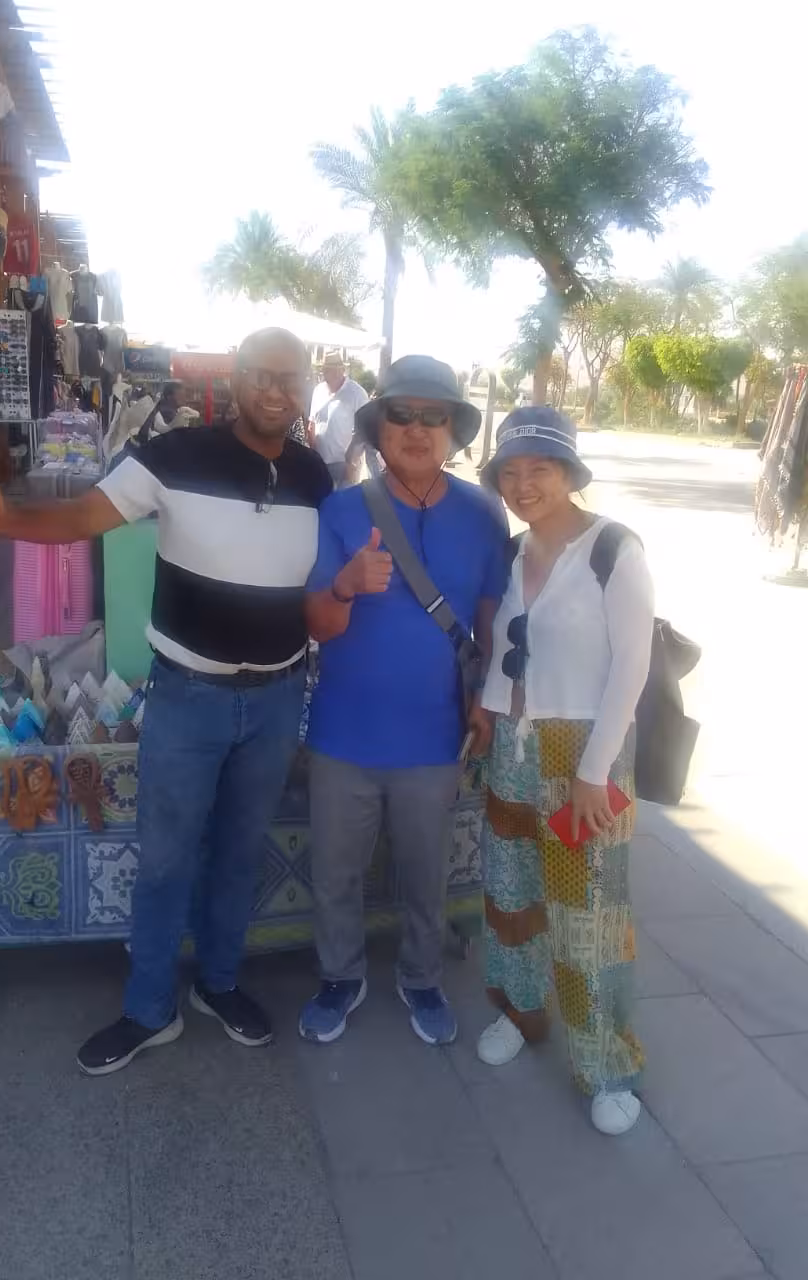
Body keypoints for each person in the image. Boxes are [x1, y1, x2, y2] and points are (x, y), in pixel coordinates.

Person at [0, 328, 333, 1075]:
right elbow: (83, 518)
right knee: (164, 862)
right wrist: (6, 519)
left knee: (237, 853)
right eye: (261, 374)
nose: (276, 390)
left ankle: (219, 984)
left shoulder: (318, 476)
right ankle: (148, 1008)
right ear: (237, 377)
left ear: (308, 387)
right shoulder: (175, 456)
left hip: (279, 696)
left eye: (291, 378)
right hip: (189, 697)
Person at [300, 355, 509, 1046]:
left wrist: (484, 699)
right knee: (336, 871)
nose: (416, 430)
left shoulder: (483, 514)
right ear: (378, 424)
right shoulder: (340, 509)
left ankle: (421, 978)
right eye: (401, 414)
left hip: (433, 736)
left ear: (452, 430)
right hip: (343, 734)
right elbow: (317, 626)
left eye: (434, 417)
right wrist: (346, 586)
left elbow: (488, 621)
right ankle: (340, 976)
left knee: (427, 872)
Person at [471, 406, 654, 1135]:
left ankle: (608, 1064)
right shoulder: (516, 556)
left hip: (584, 753)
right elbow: (507, 653)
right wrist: (487, 714)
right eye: (509, 473)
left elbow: (632, 665)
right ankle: (520, 1012)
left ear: (570, 474)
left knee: (590, 921)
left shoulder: (613, 548)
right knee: (510, 896)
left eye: (538, 470)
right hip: (513, 749)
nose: (523, 485)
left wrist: (593, 769)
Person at [309, 351, 369, 486]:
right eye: (326, 369)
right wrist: (312, 456)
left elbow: (364, 432)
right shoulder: (318, 390)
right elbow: (311, 423)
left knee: (342, 504)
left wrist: (352, 463)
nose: (329, 372)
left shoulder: (357, 393)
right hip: (319, 462)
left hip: (344, 464)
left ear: (342, 370)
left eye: (335, 368)